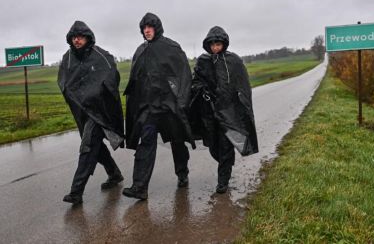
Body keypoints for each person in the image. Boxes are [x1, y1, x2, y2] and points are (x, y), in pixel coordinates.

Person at [123, 12, 195, 200]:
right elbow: (136, 80)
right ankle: (140, 187)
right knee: (146, 141)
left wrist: (180, 101)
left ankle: (182, 172)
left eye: (150, 27)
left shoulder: (171, 48)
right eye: (144, 28)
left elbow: (183, 75)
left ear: (157, 27)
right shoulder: (141, 50)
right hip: (149, 109)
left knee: (177, 140)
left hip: (169, 107)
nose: (146, 31)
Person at [58, 20, 125, 205]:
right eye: (73, 37)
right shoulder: (68, 58)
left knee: (88, 146)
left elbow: (111, 78)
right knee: (96, 146)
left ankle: (76, 191)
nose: (76, 40)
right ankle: (114, 173)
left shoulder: (100, 56)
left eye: (80, 37)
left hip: (100, 111)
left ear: (87, 37)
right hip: (82, 111)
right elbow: (64, 81)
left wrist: (97, 95)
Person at [190, 26, 258, 193]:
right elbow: (195, 81)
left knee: (226, 145)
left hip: (229, 112)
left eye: (218, 44)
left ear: (224, 44)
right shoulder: (203, 61)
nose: (215, 47)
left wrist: (241, 106)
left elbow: (243, 85)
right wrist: (202, 89)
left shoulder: (233, 61)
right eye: (212, 44)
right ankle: (225, 163)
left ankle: (223, 181)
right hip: (210, 112)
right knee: (214, 146)